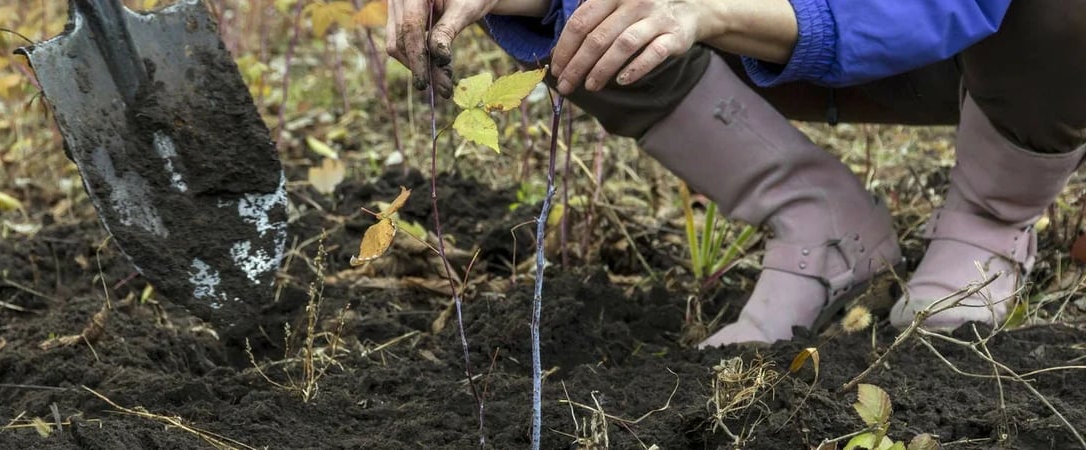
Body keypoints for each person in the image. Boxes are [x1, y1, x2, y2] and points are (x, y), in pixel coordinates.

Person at [385, 0, 1086, 347]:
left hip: (970, 46)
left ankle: (990, 220)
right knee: (587, 11)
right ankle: (819, 219)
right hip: (755, 47)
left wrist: (709, 8)